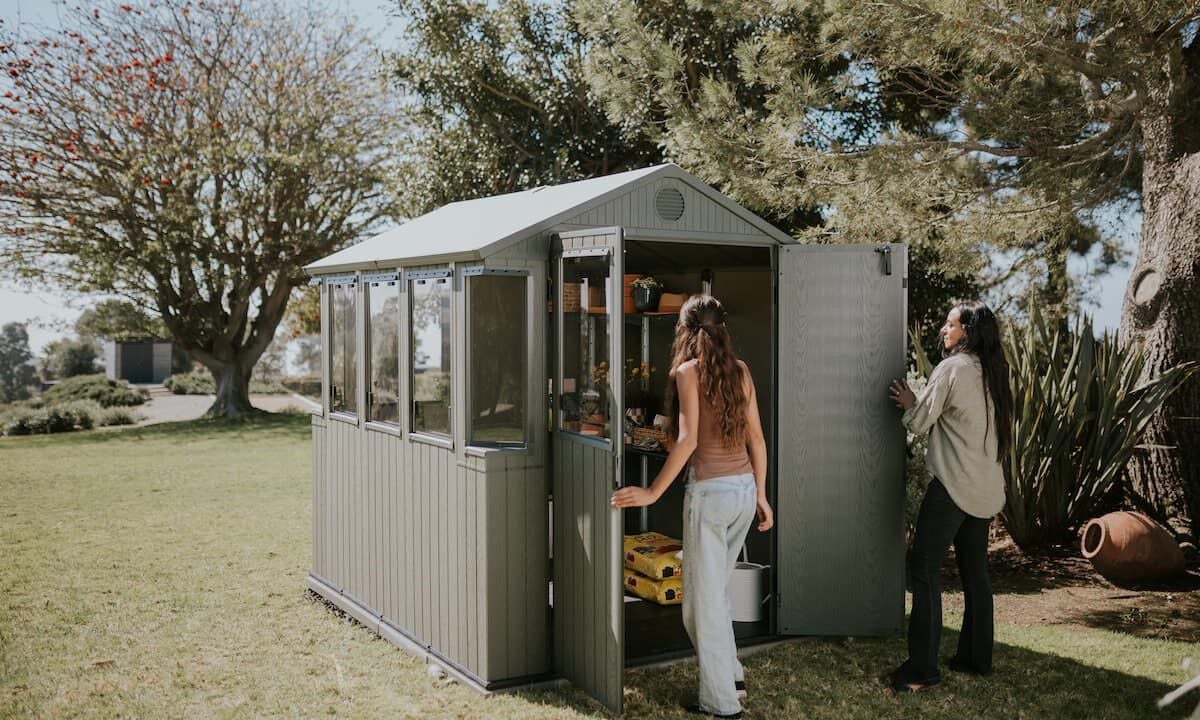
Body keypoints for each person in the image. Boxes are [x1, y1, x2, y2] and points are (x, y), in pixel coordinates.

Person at [612, 294, 773, 719]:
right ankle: (732, 679)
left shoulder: (687, 372)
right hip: (741, 492)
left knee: (699, 608)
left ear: (685, 329)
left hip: (712, 496)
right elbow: (756, 439)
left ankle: (721, 704)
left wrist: (651, 493)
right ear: (723, 328)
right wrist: (760, 494)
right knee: (714, 594)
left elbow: (688, 442)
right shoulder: (741, 372)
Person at [886, 300, 1013, 693]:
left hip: (953, 490)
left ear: (968, 332)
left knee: (924, 573)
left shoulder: (952, 368)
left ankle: (921, 670)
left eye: (951, 324)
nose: (944, 329)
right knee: (976, 576)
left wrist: (909, 404)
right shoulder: (995, 372)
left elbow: (921, 423)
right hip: (986, 490)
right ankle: (975, 659)